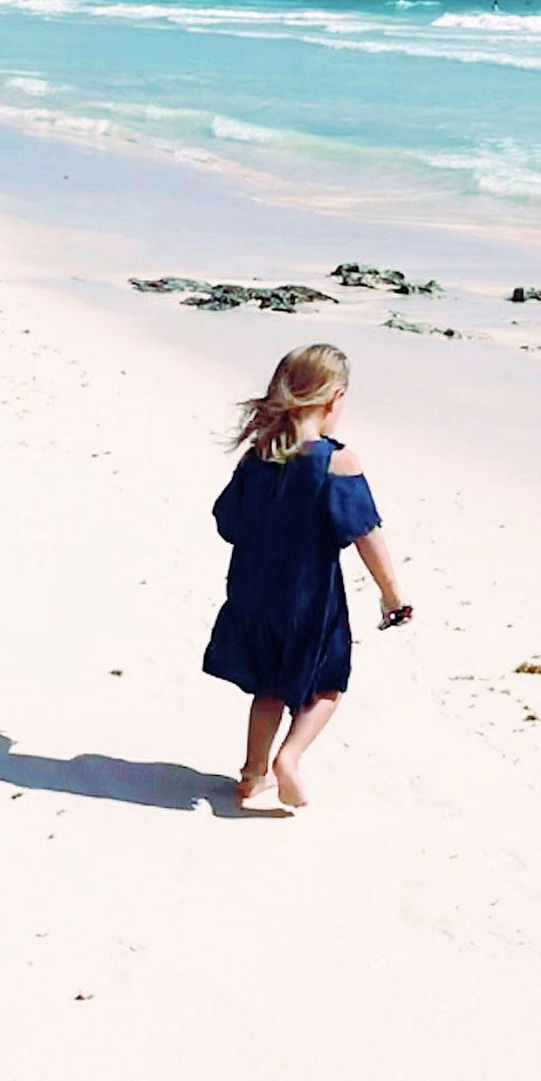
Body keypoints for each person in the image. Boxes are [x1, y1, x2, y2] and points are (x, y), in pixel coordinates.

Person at [203, 343, 411, 809]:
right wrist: (392, 595)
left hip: (251, 595)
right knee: (327, 682)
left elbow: (227, 523)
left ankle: (253, 772)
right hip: (309, 599)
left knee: (269, 686)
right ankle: (290, 757)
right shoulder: (338, 463)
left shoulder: (258, 458)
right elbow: (366, 535)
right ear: (334, 398)